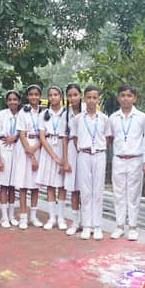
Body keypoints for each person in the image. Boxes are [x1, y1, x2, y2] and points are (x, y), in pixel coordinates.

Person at [108, 84, 145, 241]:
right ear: (118, 98)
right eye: (123, 95)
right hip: (118, 159)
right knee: (118, 193)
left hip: (135, 159)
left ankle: (132, 227)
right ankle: (119, 226)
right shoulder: (113, 118)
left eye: (129, 95)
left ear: (134, 98)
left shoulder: (142, 117)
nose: (126, 98)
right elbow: (111, 138)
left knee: (133, 195)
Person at [73, 85, 111, 240]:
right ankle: (87, 225)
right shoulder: (78, 119)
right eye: (88, 97)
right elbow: (75, 138)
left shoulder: (104, 119)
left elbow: (107, 138)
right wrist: (84, 149)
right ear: (84, 98)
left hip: (99, 155)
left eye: (94, 98)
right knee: (86, 191)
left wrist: (98, 149)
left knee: (98, 191)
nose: (91, 100)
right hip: (83, 154)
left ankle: (97, 226)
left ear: (98, 99)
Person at [14, 85, 44, 229]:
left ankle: (33, 216)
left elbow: (44, 134)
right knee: (24, 185)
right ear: (27, 96)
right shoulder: (23, 112)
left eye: (36, 94)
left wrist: (36, 147)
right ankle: (23, 217)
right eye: (31, 94)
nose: (34, 97)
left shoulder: (43, 113)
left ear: (40, 96)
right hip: (25, 148)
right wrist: (31, 155)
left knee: (35, 185)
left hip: (38, 146)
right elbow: (21, 134)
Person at [37, 85, 67, 230]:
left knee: (61, 185)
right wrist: (54, 157)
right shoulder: (43, 114)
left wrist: (63, 158)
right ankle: (52, 217)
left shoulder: (66, 113)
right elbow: (42, 137)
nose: (53, 97)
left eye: (56, 94)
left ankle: (61, 217)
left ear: (61, 97)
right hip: (48, 150)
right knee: (50, 185)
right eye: (50, 95)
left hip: (63, 147)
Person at [0, 90, 21, 228]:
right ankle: (4, 216)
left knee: (13, 186)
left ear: (19, 101)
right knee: (4, 185)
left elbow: (22, 132)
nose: (12, 102)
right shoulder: (1, 115)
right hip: (3, 148)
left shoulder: (22, 115)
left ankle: (12, 215)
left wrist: (15, 137)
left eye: (15, 99)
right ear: (6, 101)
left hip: (17, 149)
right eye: (10, 99)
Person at [60, 83, 83, 236]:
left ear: (81, 95)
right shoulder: (65, 114)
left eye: (75, 95)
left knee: (86, 189)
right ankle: (75, 222)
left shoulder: (87, 111)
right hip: (72, 152)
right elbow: (64, 138)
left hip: (86, 151)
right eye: (70, 95)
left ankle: (87, 221)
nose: (73, 98)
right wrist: (65, 160)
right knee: (74, 189)